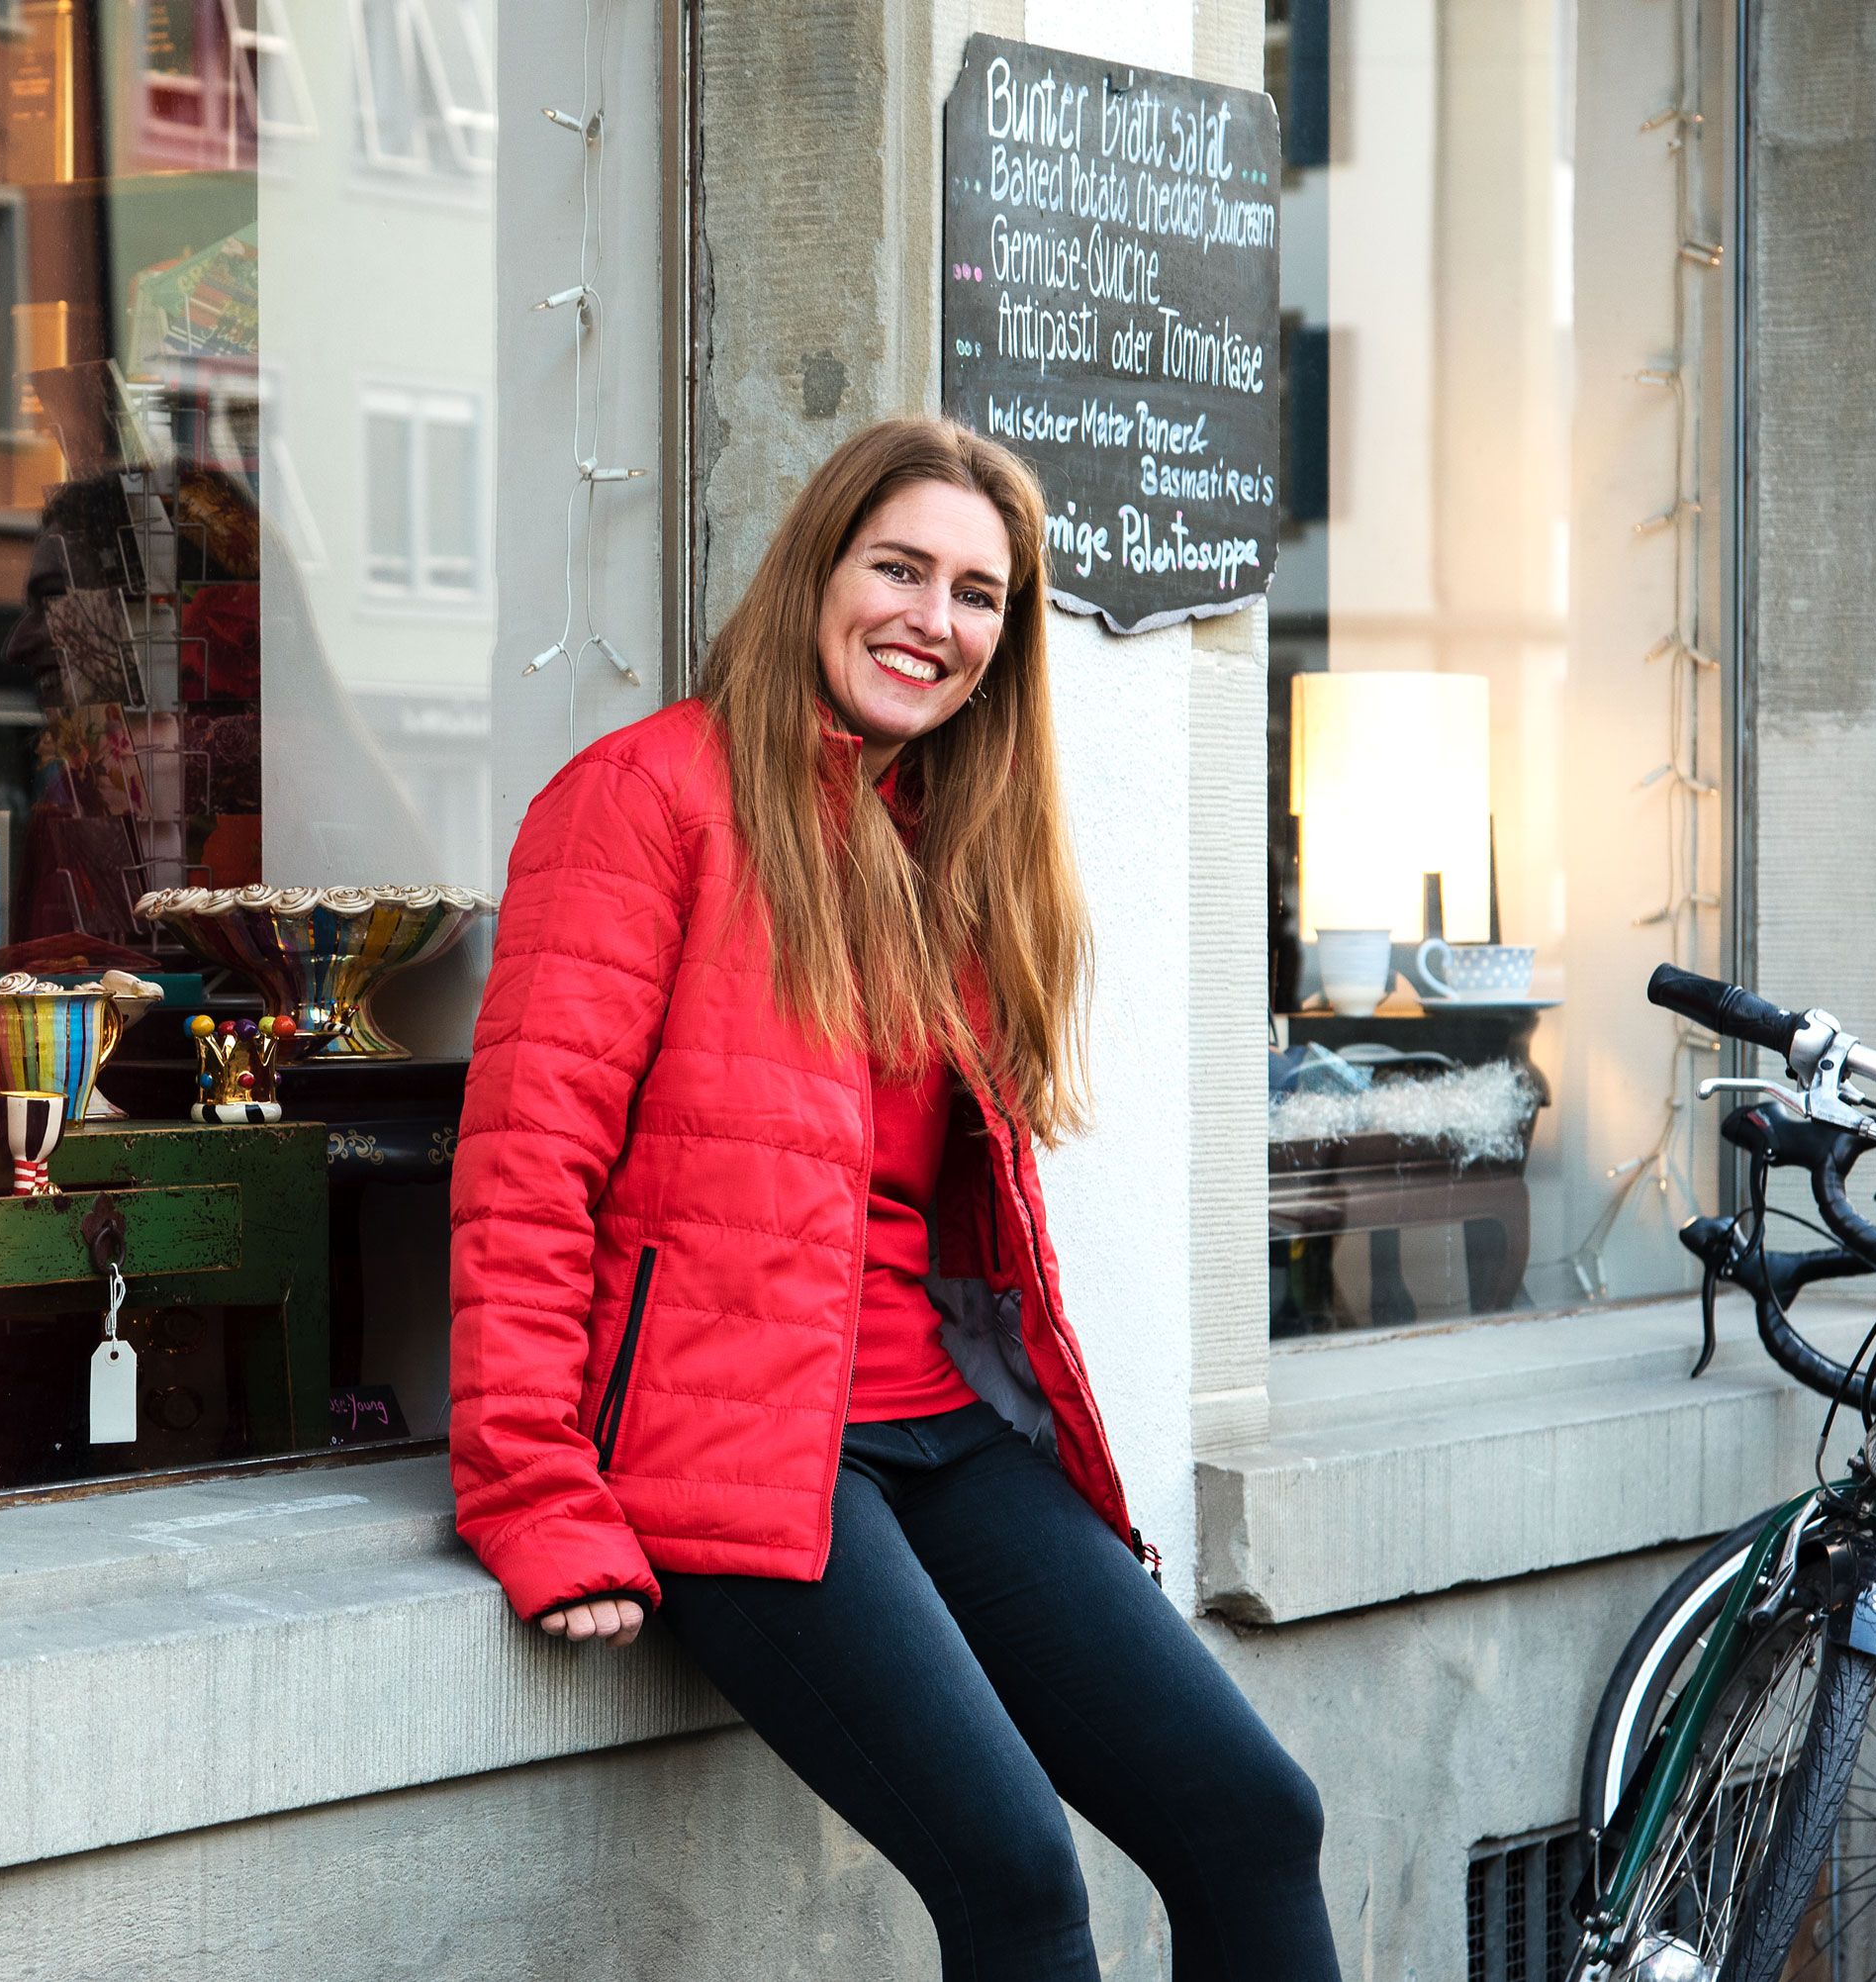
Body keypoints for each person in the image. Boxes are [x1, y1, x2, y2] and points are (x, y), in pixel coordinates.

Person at [448, 418, 1338, 1980]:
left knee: (1252, 1815)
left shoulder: (947, 842)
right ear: (818, 573)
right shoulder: (641, 800)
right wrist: (537, 1493)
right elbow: (527, 1176)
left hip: (935, 1421)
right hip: (733, 1448)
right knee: (1016, 1880)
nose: (936, 619)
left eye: (979, 595)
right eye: (902, 569)